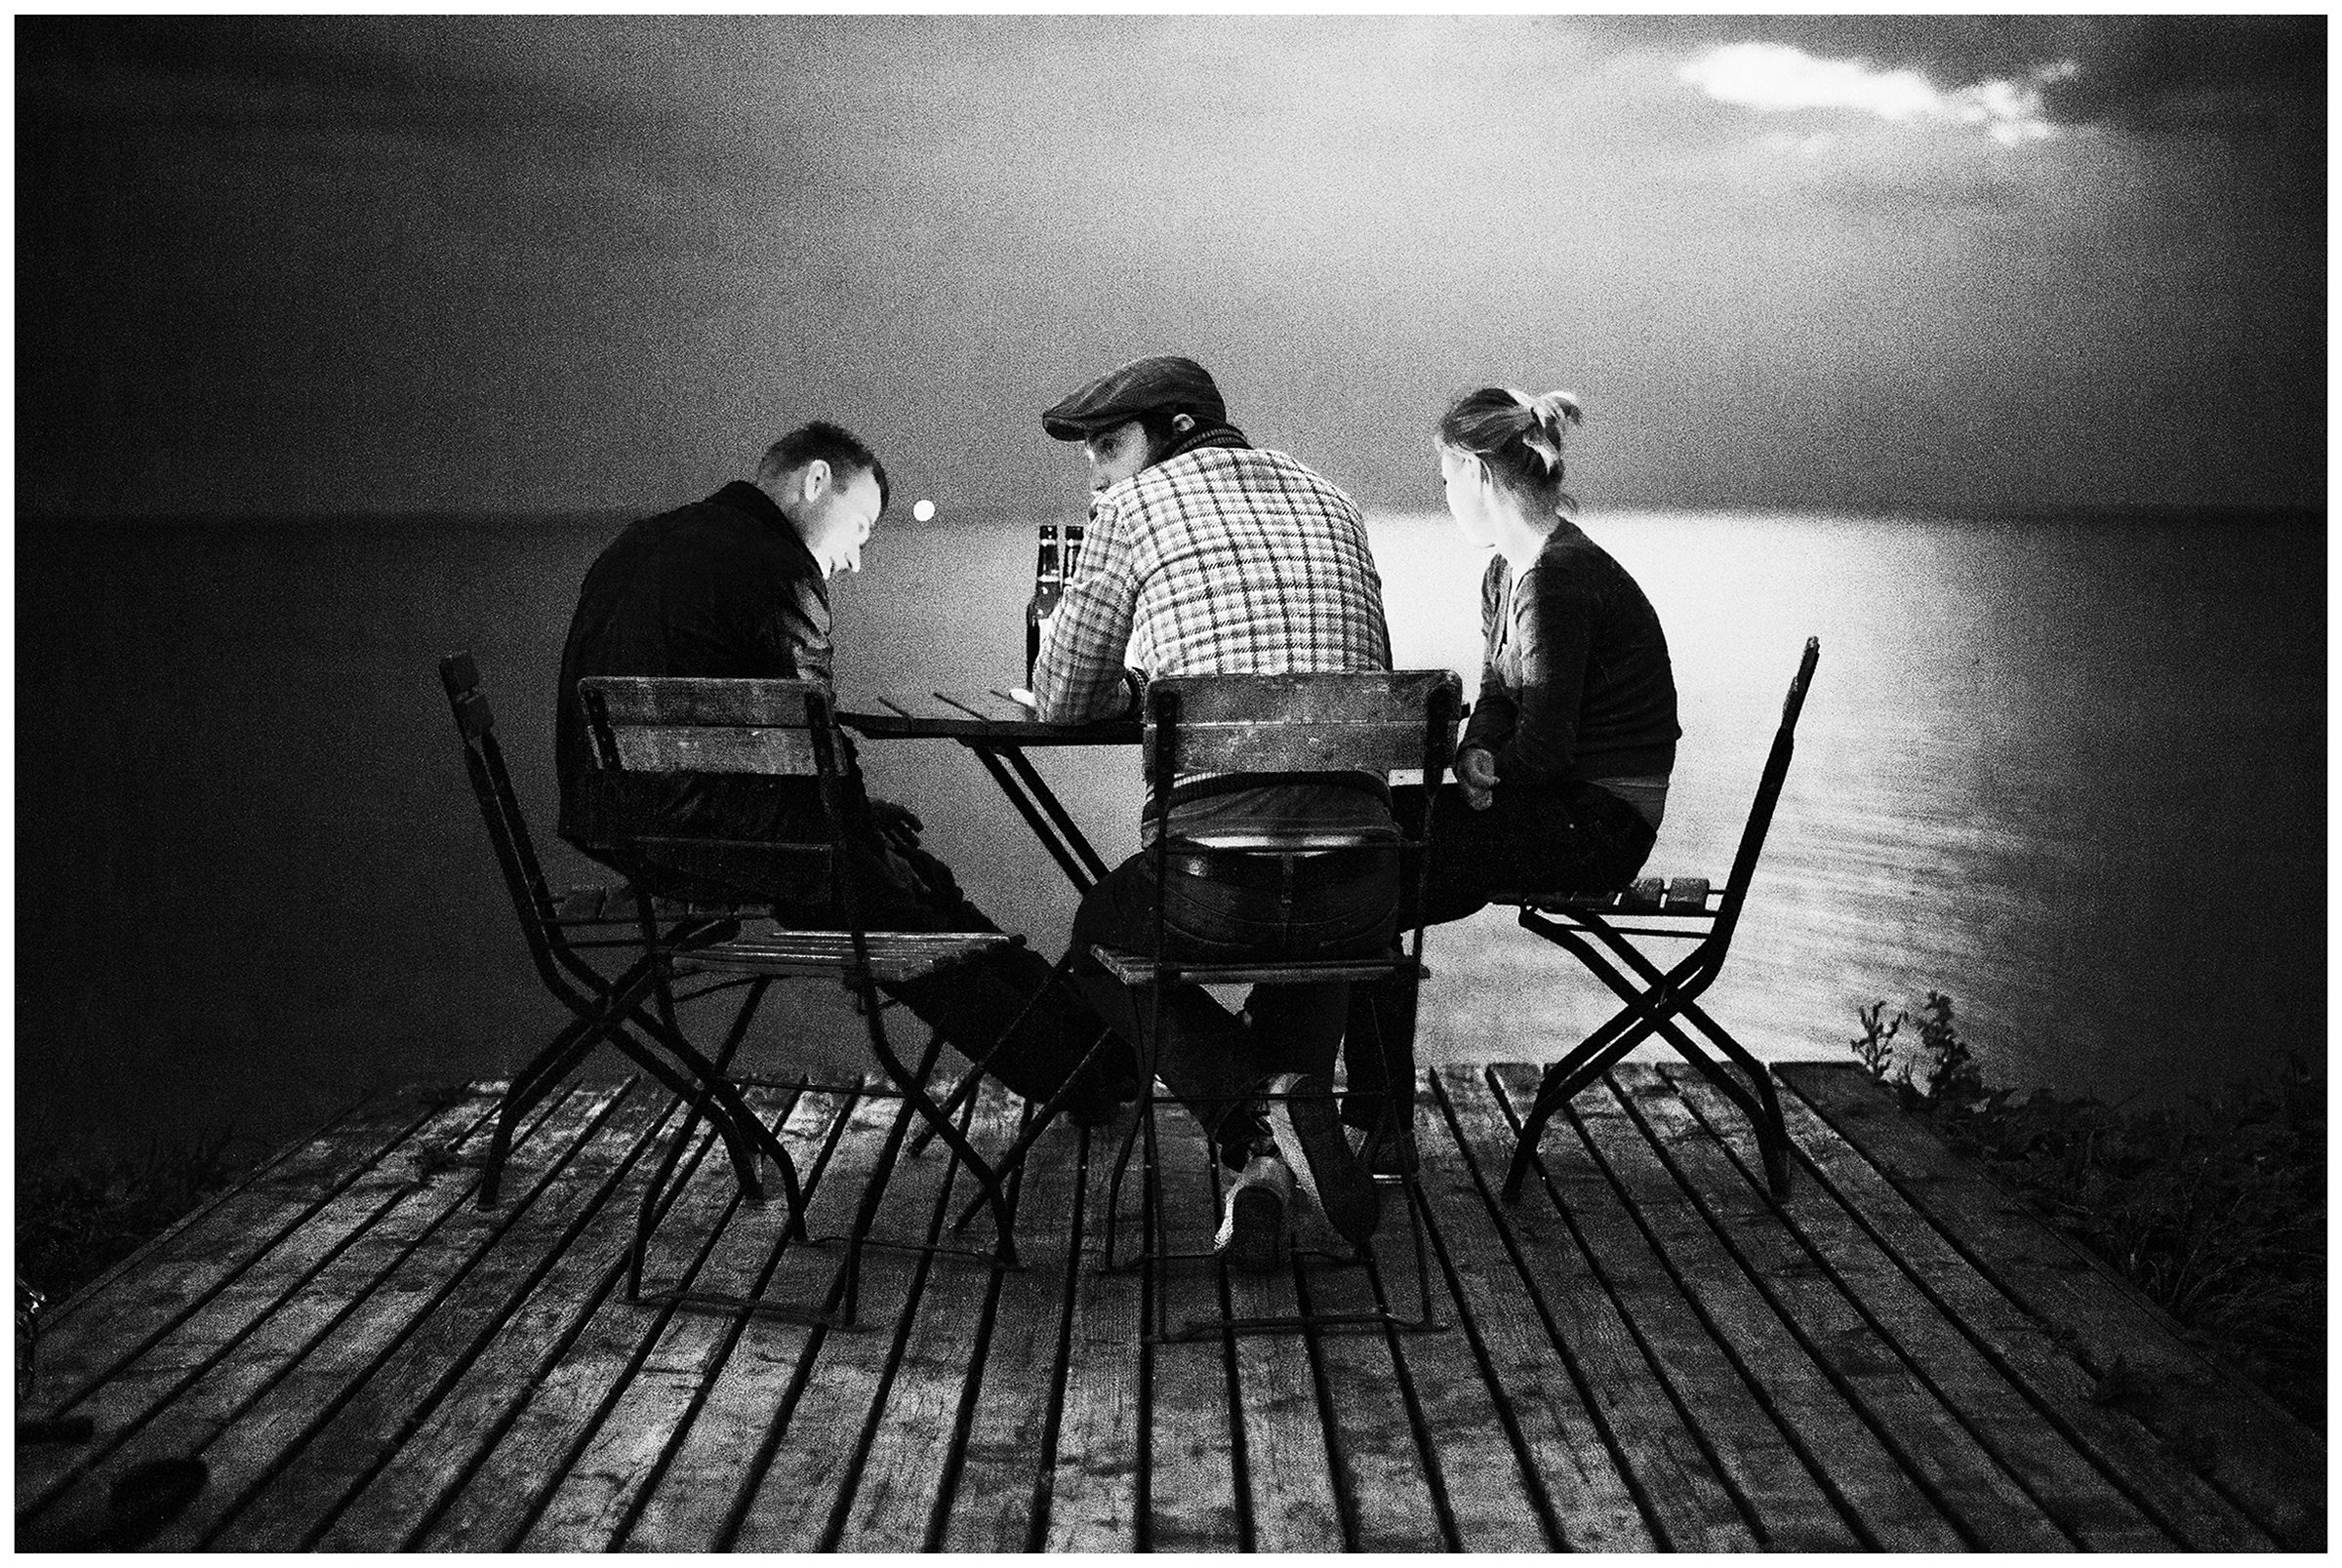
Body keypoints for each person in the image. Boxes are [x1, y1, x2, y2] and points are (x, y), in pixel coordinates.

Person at [554, 421, 1135, 1120]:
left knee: (906, 879)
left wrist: (861, 826)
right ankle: (1092, 1071)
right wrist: (859, 834)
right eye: (861, 527)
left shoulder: (633, 545)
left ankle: (1093, 1056)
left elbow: (785, 750)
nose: (857, 559)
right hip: (731, 844)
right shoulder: (777, 568)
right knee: (918, 906)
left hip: (617, 823)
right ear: (816, 479)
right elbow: (815, 743)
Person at [1030, 355, 1398, 1266]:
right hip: (1364, 888)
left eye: (1109, 445)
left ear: (1177, 432)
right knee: (1311, 918)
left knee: (1097, 943)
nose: (1095, 470)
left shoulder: (1131, 512)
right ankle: (1265, 1164)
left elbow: (1063, 698)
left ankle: (1252, 1103)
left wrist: (1139, 680)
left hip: (1214, 884)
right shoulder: (1334, 499)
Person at [1342, 387, 1678, 1168]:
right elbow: (1500, 696)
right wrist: (1475, 757)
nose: (1444, 494)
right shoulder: (1507, 573)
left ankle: (1365, 1106)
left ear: (1481, 477)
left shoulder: (1556, 579)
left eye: (1448, 476)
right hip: (1557, 806)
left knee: (1374, 861)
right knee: (1375, 840)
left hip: (1597, 828)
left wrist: (1487, 775)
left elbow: (1551, 748)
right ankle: (1373, 1111)